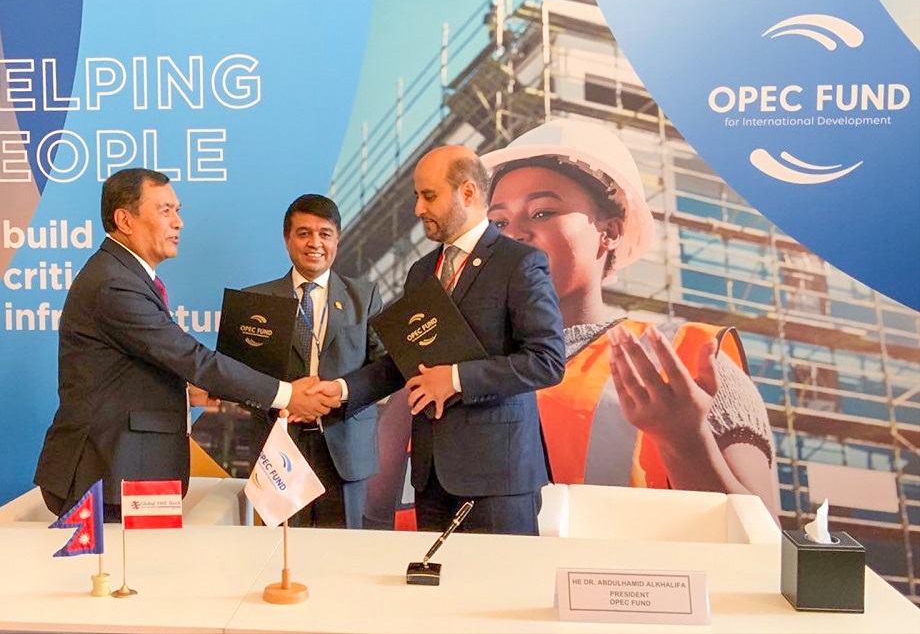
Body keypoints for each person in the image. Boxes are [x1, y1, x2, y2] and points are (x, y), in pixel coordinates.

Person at [481, 119, 780, 521]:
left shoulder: (688, 359)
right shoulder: (443, 366)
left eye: (542, 212)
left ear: (609, 232)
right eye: (498, 222)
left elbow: (762, 537)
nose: (513, 234)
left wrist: (686, 442)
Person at [34, 168, 339, 521]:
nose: (178, 222)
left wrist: (185, 391)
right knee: (119, 560)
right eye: (165, 210)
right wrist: (287, 394)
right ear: (125, 220)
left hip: (125, 468)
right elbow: (192, 359)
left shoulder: (124, 275)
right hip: (107, 470)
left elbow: (135, 371)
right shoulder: (114, 284)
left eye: (177, 210)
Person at [312, 145, 565, 536]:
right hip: (431, 479)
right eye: (417, 196)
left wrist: (455, 379)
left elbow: (546, 361)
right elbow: (404, 360)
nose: (418, 209)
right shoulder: (421, 271)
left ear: (467, 193)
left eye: (428, 196)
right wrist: (342, 391)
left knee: (501, 578)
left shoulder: (519, 263)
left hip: (499, 478)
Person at [244, 194, 384, 529]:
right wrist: (284, 400)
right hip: (280, 448)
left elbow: (385, 368)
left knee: (343, 554)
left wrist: (342, 391)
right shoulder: (256, 301)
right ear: (287, 239)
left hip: (345, 450)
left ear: (337, 239)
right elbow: (239, 377)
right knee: (280, 553)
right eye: (304, 233)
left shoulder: (363, 298)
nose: (315, 243)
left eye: (325, 233)